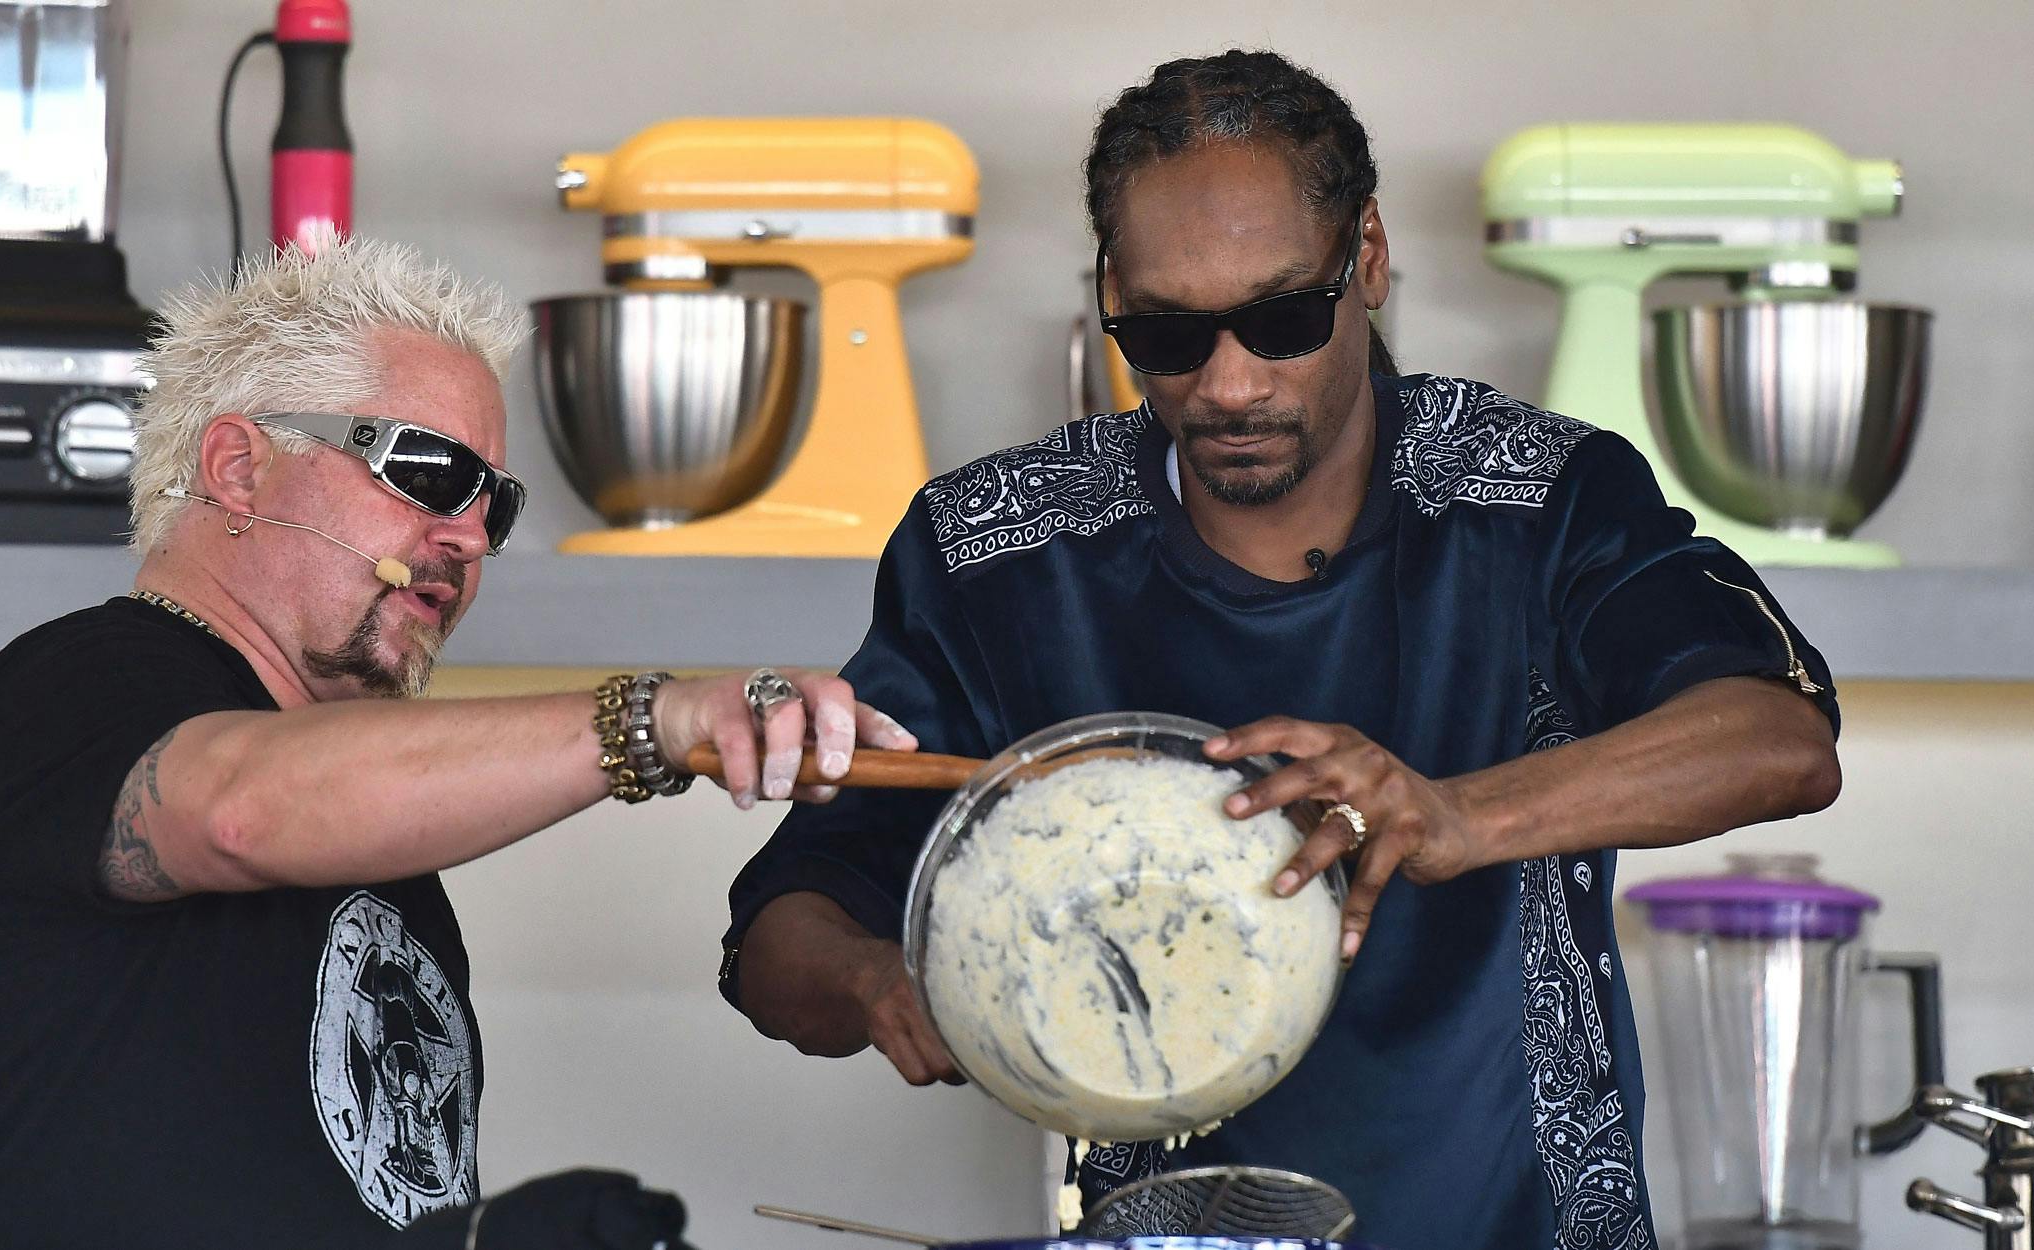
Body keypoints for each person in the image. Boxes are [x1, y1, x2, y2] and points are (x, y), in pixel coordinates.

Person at [718, 50, 1843, 1250]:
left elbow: (1777, 733)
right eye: (1164, 332)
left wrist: (1455, 813)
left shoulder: (1535, 496)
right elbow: (779, 928)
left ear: (1365, 259)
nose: (1229, 381)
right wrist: (882, 981)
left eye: (1281, 317)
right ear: (1109, 291)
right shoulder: (1000, 550)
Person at [0, 235, 912, 1250]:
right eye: (424, 467)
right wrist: (653, 720)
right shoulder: (73, 681)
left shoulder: (379, 833)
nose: (467, 532)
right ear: (238, 467)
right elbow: (235, 807)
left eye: (493, 501)